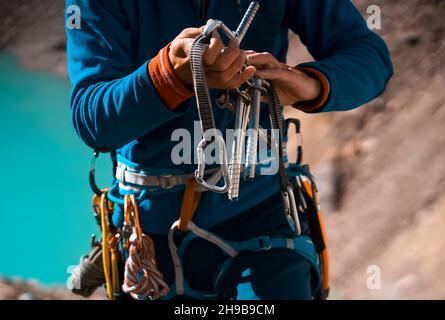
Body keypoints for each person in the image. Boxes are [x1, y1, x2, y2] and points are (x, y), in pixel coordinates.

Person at [65, 0, 393, 300]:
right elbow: (93, 119)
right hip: (151, 234)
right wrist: (169, 76)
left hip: (257, 214)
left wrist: (307, 84)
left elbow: (370, 58)